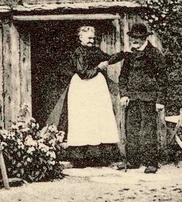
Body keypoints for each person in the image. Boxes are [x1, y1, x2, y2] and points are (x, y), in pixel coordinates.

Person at [63, 25, 121, 165]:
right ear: (80, 37)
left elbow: (108, 58)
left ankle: (100, 157)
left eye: (93, 38)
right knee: (83, 119)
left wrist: (123, 54)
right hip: (82, 87)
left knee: (99, 118)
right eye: (89, 38)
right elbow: (83, 73)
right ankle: (80, 159)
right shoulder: (78, 52)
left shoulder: (95, 50)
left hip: (96, 87)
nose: (91, 40)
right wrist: (99, 67)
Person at [117, 22, 169, 173]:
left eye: (138, 37)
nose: (134, 40)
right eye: (133, 37)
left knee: (148, 131)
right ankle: (132, 161)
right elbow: (123, 77)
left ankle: (151, 162)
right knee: (131, 130)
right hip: (132, 99)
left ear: (145, 38)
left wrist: (160, 100)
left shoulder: (154, 54)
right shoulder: (129, 55)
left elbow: (163, 79)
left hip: (149, 98)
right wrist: (124, 94)